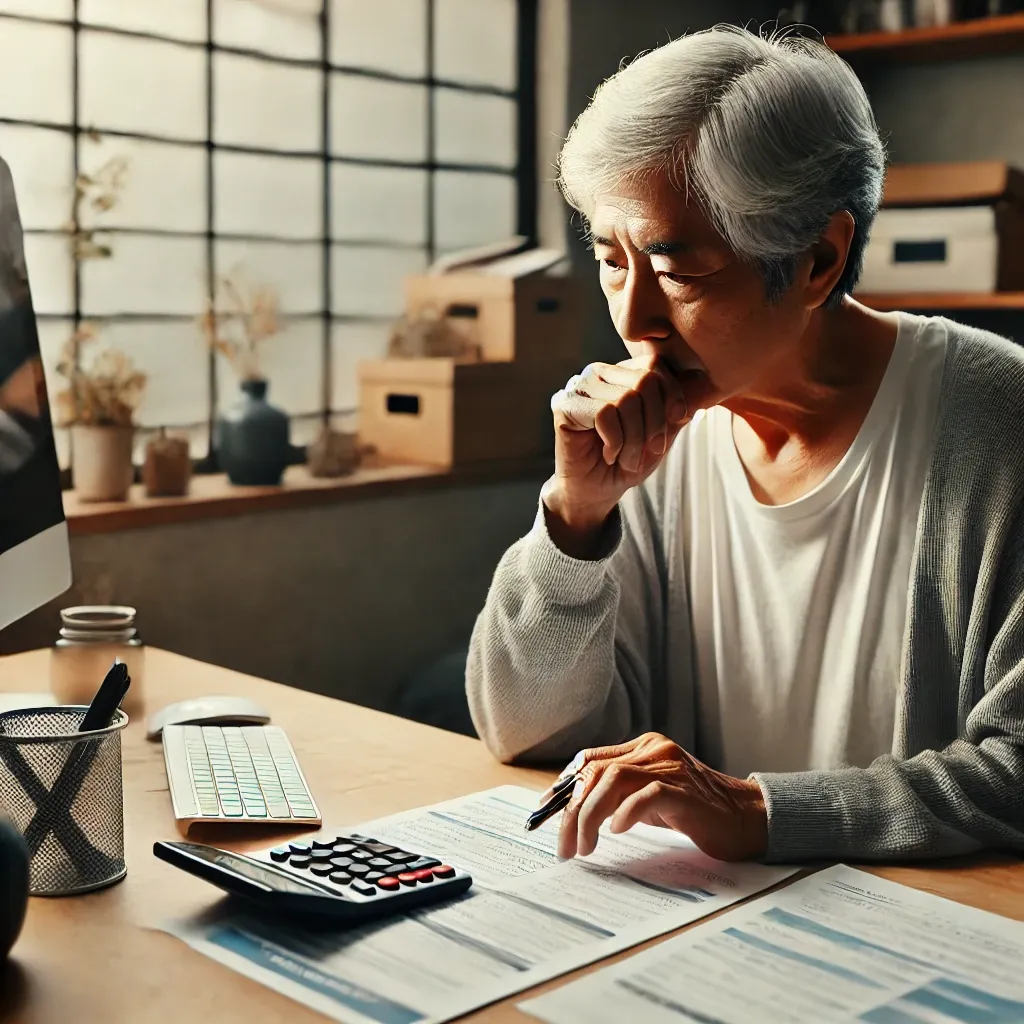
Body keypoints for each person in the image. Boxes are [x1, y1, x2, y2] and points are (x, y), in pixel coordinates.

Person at [465, 25, 1024, 866]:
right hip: (700, 926)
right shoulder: (651, 439)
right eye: (613, 262)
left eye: (679, 272)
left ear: (818, 259)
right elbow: (524, 732)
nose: (633, 320)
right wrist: (577, 520)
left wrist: (761, 811)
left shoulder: (998, 424)